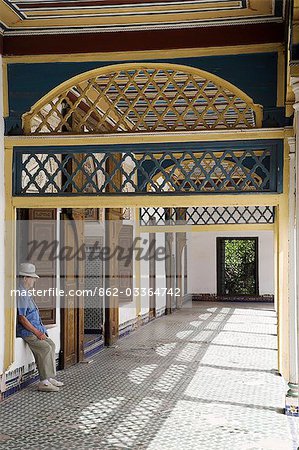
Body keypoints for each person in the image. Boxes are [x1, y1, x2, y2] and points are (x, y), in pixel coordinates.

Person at [16, 262, 64, 392]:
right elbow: (22, 318)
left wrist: (41, 330)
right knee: (45, 348)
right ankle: (43, 382)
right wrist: (38, 332)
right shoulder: (21, 293)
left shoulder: (26, 292)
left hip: (35, 330)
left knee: (51, 345)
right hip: (27, 332)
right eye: (32, 278)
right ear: (25, 278)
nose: (35, 280)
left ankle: (49, 378)